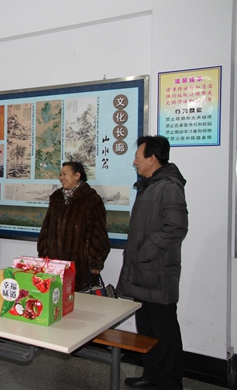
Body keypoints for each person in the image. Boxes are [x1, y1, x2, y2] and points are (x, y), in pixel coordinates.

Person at [117, 135, 188, 390]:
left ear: (152, 159)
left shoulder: (169, 187)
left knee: (164, 333)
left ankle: (169, 383)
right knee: (146, 330)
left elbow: (176, 227)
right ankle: (152, 375)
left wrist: (145, 252)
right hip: (142, 272)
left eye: (138, 157)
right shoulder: (148, 185)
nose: (134, 162)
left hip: (157, 274)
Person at [37, 161, 110, 291]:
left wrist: (95, 262)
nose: (61, 177)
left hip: (80, 265)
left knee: (77, 300)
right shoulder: (56, 198)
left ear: (77, 176)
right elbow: (46, 229)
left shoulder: (91, 199)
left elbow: (98, 233)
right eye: (60, 174)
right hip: (55, 265)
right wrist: (43, 254)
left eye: (65, 174)